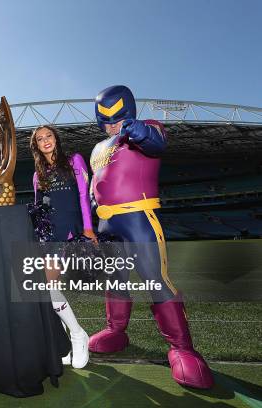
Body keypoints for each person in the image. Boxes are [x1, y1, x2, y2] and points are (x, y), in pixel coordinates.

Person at [88, 85, 213, 389]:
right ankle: (115, 330)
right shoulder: (97, 149)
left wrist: (138, 130)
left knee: (155, 279)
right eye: (106, 120)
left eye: (117, 118)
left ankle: (182, 348)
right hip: (106, 225)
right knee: (114, 280)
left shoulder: (148, 129)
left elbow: (155, 144)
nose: (112, 124)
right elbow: (96, 181)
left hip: (137, 217)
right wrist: (92, 203)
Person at [30, 125, 95, 369]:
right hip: (48, 236)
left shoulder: (74, 160)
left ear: (56, 138)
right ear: (35, 145)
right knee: (49, 289)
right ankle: (67, 342)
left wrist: (88, 228)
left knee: (50, 288)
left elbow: (83, 196)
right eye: (40, 139)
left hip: (71, 230)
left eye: (48, 136)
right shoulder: (37, 174)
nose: (45, 141)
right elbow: (39, 210)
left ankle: (78, 335)